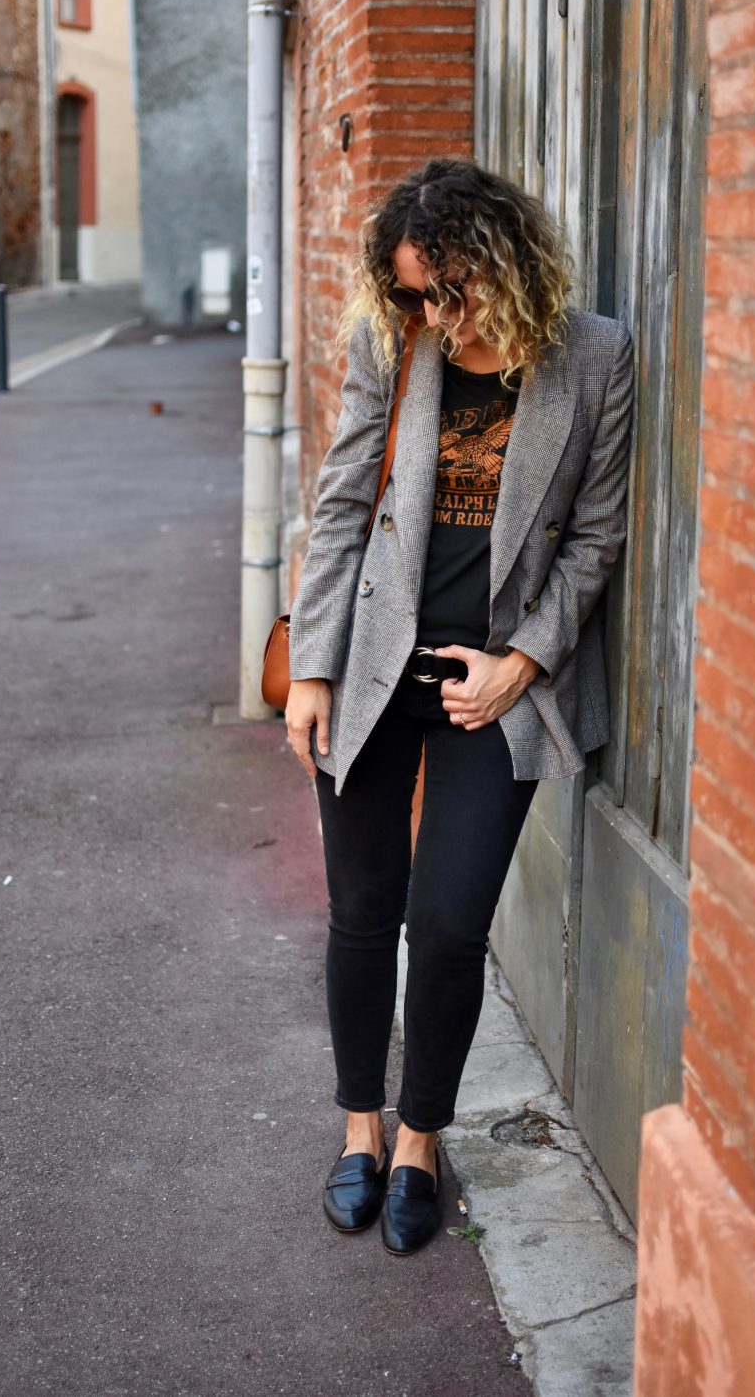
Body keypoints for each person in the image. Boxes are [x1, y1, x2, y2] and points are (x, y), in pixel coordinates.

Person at [285, 156, 634, 1256]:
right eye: (414, 294)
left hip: (490, 687)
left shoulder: (595, 359)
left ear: (505, 262)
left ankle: (420, 1140)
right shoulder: (394, 344)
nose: (434, 314)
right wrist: (311, 666)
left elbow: (595, 538)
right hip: (372, 667)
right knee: (362, 910)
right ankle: (359, 1128)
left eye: (450, 290)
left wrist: (520, 662)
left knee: (446, 927)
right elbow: (343, 505)